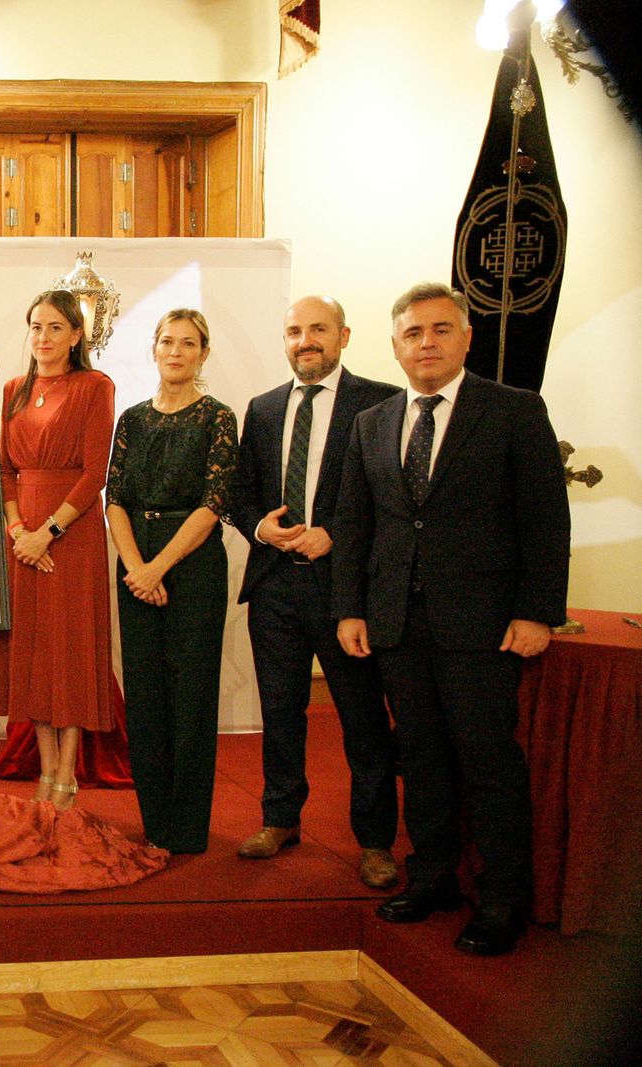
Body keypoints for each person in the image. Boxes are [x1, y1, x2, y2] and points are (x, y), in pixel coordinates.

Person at [335, 282, 569, 955]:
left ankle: (502, 899)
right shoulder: (373, 422)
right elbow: (356, 522)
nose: (427, 342)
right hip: (396, 623)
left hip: (483, 623)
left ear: (465, 338)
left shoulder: (513, 411)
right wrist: (351, 607)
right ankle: (431, 876)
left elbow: (545, 520)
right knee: (423, 758)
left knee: (489, 762)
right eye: (414, 332)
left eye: (441, 330)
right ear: (396, 345)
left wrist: (537, 610)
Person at [234, 296, 402, 888]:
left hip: (346, 591)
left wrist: (337, 532)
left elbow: (398, 494)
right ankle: (279, 819)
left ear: (345, 336)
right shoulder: (262, 408)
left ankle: (376, 842)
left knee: (361, 720)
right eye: (294, 331)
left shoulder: (382, 401)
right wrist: (261, 529)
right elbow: (241, 492)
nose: (306, 340)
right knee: (281, 712)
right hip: (275, 585)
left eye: (319, 330)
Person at [107, 307, 238, 853]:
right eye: (167, 342)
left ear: (203, 353)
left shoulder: (218, 417)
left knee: (191, 696)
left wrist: (159, 568)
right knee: (145, 695)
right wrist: (137, 567)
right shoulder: (132, 420)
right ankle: (154, 821)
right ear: (154, 350)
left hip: (194, 566)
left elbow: (214, 506)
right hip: (135, 560)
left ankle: (187, 830)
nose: (176, 351)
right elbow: (115, 501)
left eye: (189, 343)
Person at [0, 290, 124, 812]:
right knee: (34, 656)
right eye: (36, 327)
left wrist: (49, 532)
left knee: (70, 654)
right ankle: (45, 769)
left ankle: (66, 775)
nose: (43, 338)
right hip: (22, 539)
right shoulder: (13, 390)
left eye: (54, 328)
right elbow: (4, 470)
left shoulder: (95, 386)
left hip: (72, 537)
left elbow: (96, 474)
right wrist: (20, 530)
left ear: (75, 336)